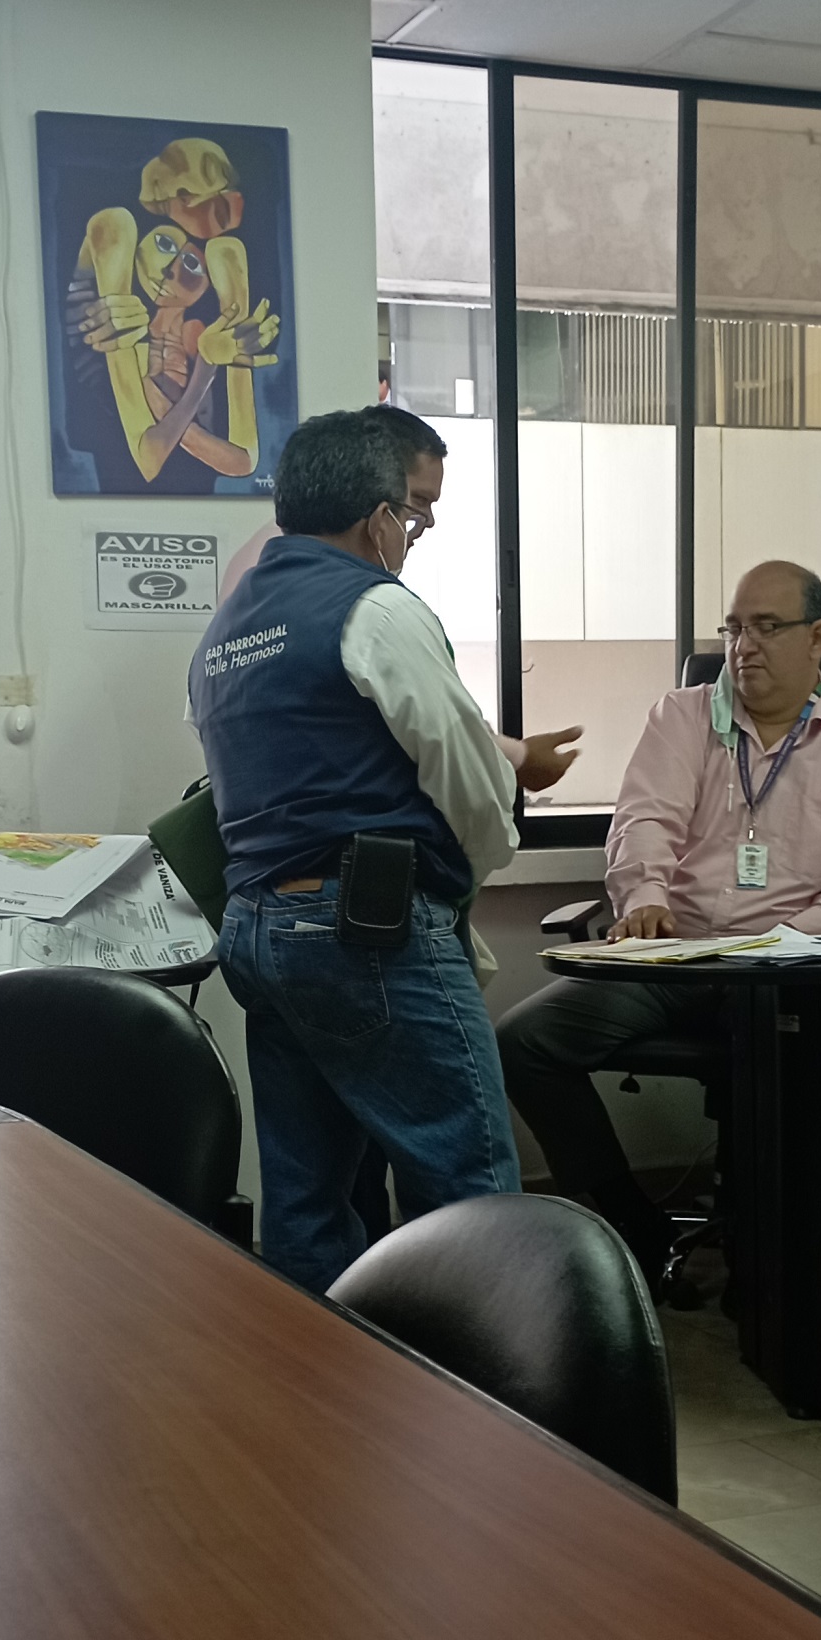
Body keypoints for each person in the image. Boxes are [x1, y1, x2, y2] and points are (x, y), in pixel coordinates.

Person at [188, 408, 577, 1292]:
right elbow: (465, 770)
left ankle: (321, 1371)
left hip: (258, 931)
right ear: (378, 522)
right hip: (368, 925)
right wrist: (473, 869)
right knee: (470, 1180)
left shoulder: (226, 630)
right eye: (411, 515)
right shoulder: (375, 605)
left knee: (307, 1196)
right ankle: (482, 1373)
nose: (413, 532)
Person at [496, 560, 821, 1283]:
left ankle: (777, 1260)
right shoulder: (684, 715)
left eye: (767, 627)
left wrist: (791, 938)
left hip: (791, 966)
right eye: (733, 628)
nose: (743, 646)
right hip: (678, 951)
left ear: (817, 637)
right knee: (523, 1042)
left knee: (798, 1056)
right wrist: (645, 897)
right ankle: (631, 1225)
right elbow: (644, 822)